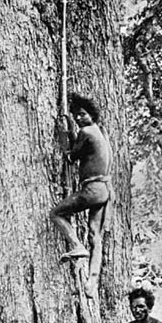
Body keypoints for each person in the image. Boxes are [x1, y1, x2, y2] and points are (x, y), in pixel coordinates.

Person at [50, 93, 113, 298]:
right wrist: (72, 129)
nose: (79, 118)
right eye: (76, 115)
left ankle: (76, 245)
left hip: (92, 190)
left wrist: (63, 135)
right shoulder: (99, 132)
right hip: (104, 191)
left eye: (83, 114)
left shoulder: (86, 131)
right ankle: (92, 282)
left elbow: (71, 157)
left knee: (56, 213)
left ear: (91, 115)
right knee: (95, 236)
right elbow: (83, 149)